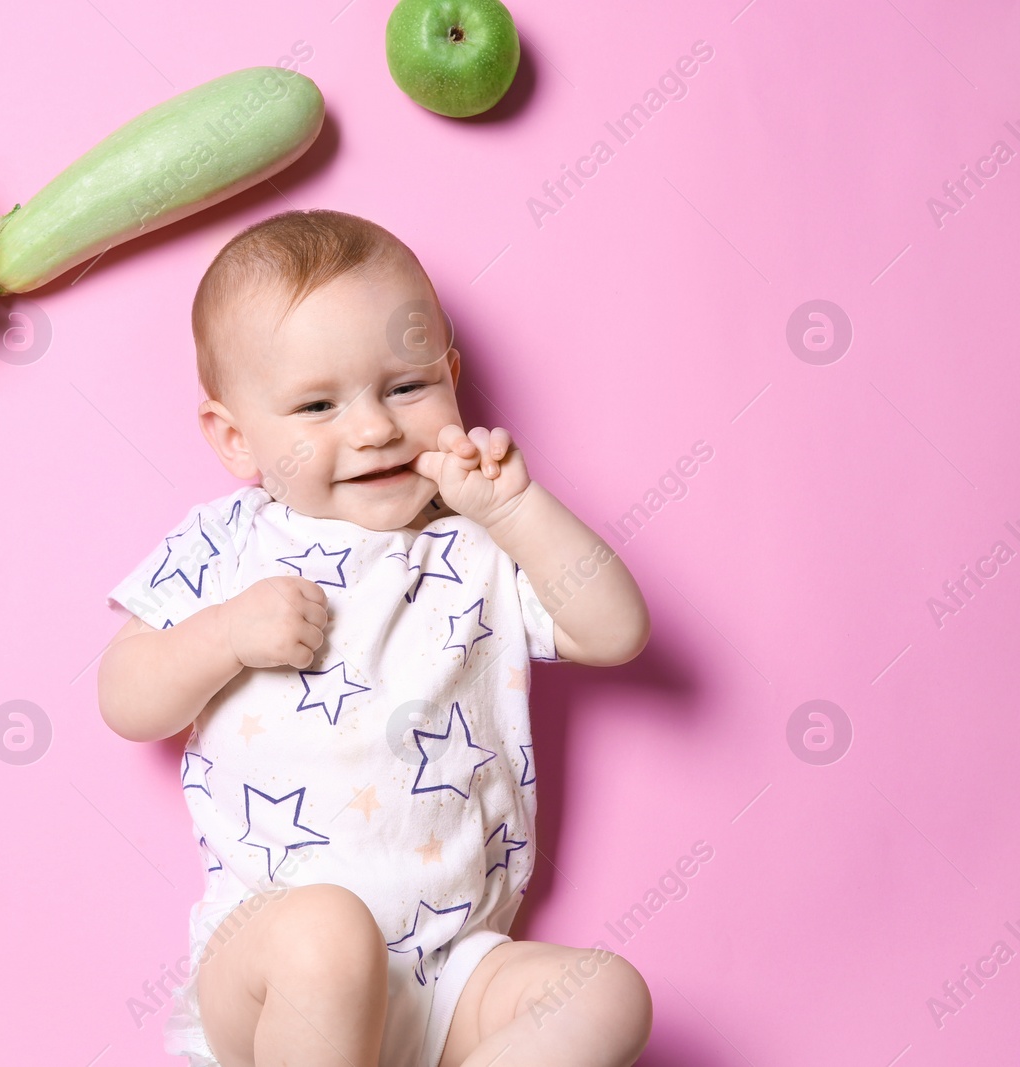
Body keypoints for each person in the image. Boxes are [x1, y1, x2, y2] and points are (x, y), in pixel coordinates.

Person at [100, 208, 653, 1067]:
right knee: (327, 932)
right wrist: (224, 633)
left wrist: (515, 510)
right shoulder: (228, 543)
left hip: (453, 971)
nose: (373, 428)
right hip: (275, 969)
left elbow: (614, 631)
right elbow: (125, 696)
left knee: (607, 992)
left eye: (407, 387)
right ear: (235, 436)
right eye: (317, 404)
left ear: (452, 375)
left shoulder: (479, 548)